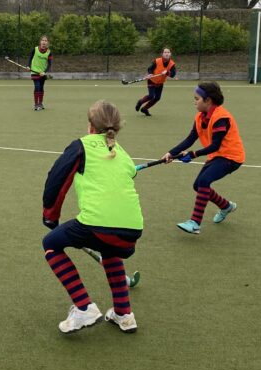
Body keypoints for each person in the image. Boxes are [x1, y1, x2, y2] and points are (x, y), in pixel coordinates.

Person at [42, 100, 143, 335]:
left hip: (97, 223)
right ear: (116, 128)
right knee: (110, 249)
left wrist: (50, 215)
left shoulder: (80, 146)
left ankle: (84, 307)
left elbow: (56, 180)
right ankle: (124, 313)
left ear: (90, 126)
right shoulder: (123, 154)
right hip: (132, 231)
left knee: (51, 244)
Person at [161, 81, 244, 234]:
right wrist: (171, 153)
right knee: (198, 186)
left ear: (208, 100)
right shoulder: (200, 117)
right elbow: (190, 138)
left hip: (231, 157)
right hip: (217, 156)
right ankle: (226, 206)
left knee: (204, 181)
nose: (194, 102)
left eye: (197, 98)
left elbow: (215, 145)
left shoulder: (221, 117)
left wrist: (193, 154)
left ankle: (195, 223)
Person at [135, 47, 176, 116]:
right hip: (152, 80)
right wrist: (150, 73)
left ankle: (144, 109)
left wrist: (167, 72)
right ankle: (140, 102)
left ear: (170, 54)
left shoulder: (172, 64)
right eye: (165, 52)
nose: (167, 54)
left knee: (157, 98)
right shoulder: (157, 61)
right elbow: (150, 68)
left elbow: (173, 74)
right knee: (151, 96)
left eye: (168, 52)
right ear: (162, 54)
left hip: (160, 83)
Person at [28, 35, 52, 110]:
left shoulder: (49, 52)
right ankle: (36, 104)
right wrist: (28, 66)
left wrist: (44, 72)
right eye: (43, 40)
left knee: (41, 87)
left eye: (45, 41)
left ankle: (40, 103)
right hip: (34, 72)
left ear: (47, 43)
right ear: (40, 42)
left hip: (42, 73)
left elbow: (49, 64)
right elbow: (30, 58)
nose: (44, 42)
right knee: (37, 86)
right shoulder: (35, 49)